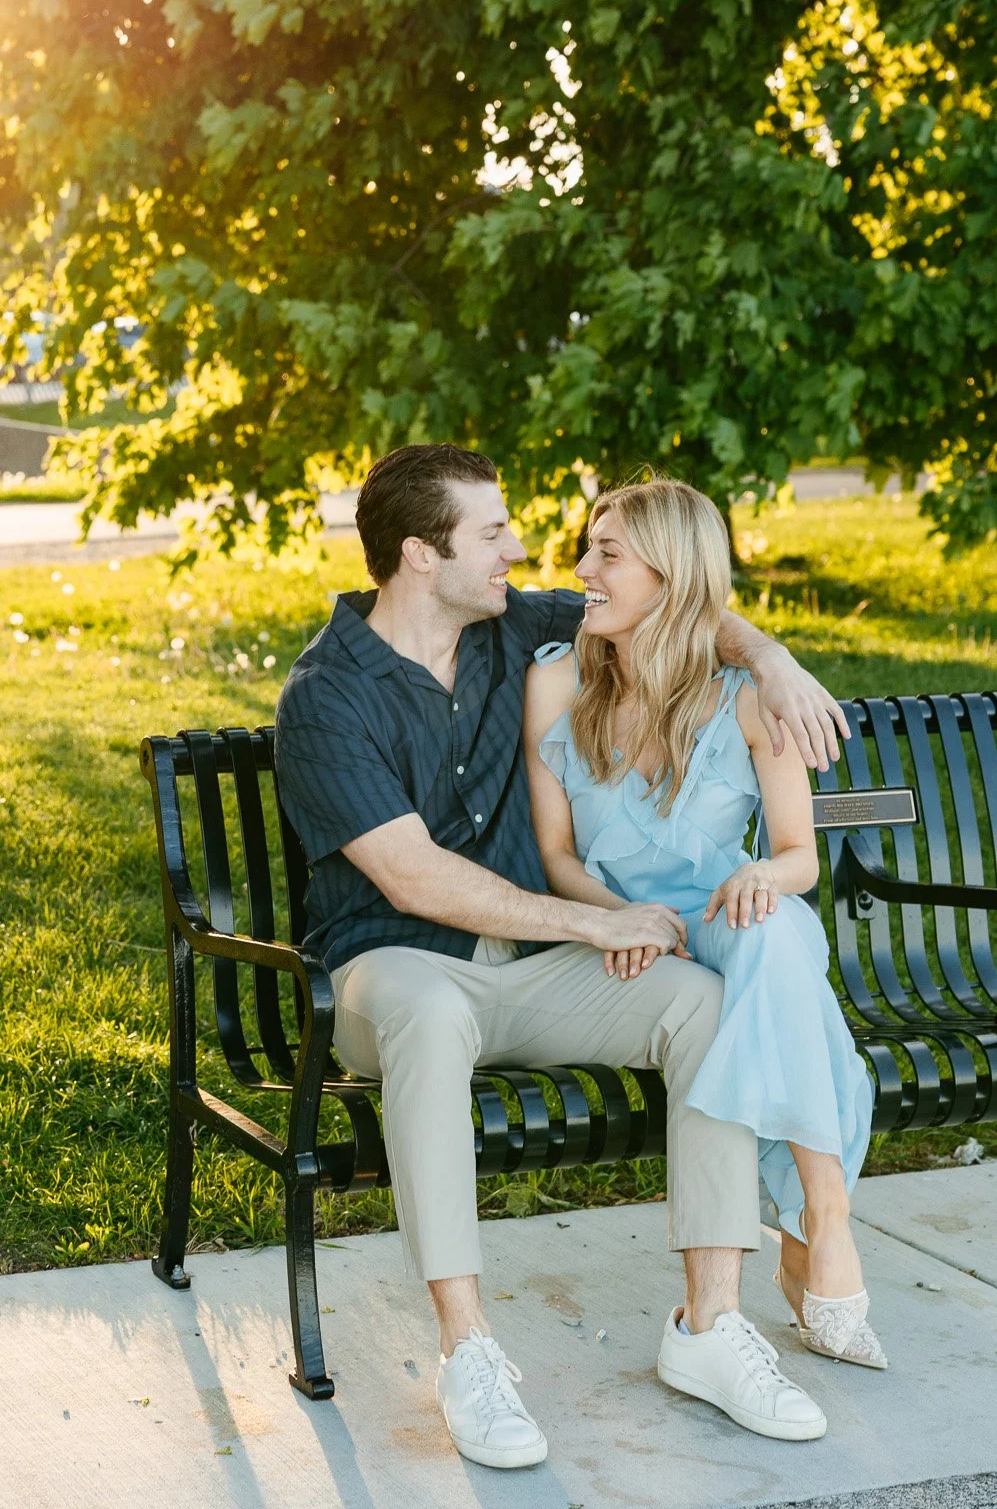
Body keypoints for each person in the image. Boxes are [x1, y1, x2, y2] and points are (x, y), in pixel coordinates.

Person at [273, 443, 852, 1471]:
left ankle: (710, 1326)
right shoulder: (324, 696)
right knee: (430, 1009)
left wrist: (770, 658)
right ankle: (469, 1349)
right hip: (390, 967)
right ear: (419, 553)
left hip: (529, 967)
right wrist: (595, 920)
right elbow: (415, 880)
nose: (521, 550)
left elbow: (682, 601)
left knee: (700, 1004)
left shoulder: (511, 629)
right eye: (493, 533)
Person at [526, 476, 882, 1389]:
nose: (582, 569)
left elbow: (798, 855)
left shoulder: (748, 700)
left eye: (607, 553)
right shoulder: (556, 683)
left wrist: (765, 870)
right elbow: (558, 859)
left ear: (672, 572)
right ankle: (813, 1228)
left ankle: (824, 1211)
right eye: (586, 547)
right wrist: (617, 919)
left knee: (773, 930)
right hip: (620, 941)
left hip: (727, 918)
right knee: (780, 951)